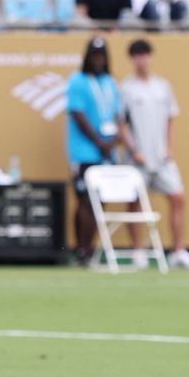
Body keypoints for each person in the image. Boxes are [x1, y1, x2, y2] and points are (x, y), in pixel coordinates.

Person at [118, 39, 189, 268]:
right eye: (138, 56)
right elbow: (121, 125)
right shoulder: (126, 88)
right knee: (135, 203)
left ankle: (178, 251)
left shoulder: (163, 86)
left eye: (146, 55)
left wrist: (169, 148)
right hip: (137, 158)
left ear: (151, 57)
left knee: (178, 198)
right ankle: (138, 252)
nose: (142, 60)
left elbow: (171, 119)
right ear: (132, 59)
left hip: (162, 158)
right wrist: (134, 150)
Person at [66, 36, 121, 265]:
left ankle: (91, 248)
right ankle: (82, 250)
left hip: (107, 153)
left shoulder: (110, 82)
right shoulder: (78, 81)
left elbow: (117, 115)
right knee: (85, 201)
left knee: (100, 202)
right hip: (85, 152)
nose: (98, 60)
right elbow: (77, 114)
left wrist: (113, 140)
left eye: (102, 56)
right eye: (95, 55)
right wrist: (99, 141)